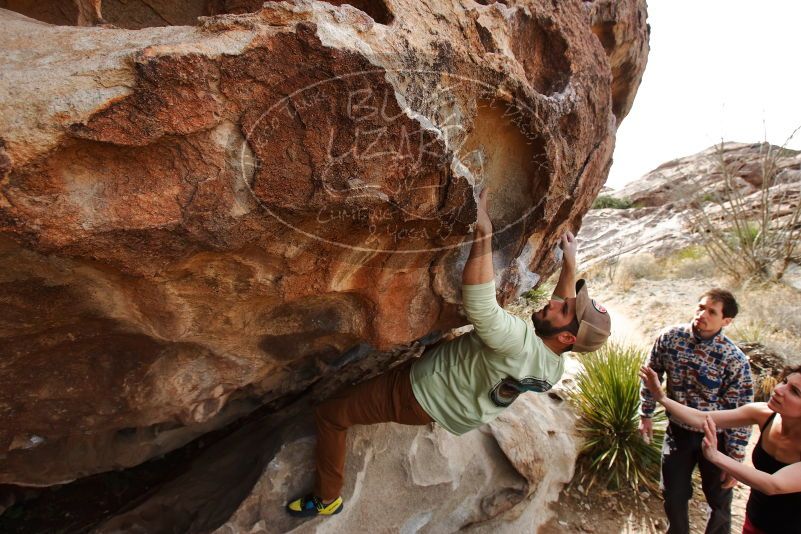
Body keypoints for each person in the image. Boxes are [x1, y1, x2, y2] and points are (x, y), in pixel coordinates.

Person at [286, 189, 612, 517]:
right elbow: (564, 307)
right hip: (454, 404)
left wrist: (483, 233)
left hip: (417, 395)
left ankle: (328, 499)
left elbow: (480, 304)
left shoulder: (518, 341)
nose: (555, 302)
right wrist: (570, 265)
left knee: (331, 415)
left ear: (568, 335)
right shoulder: (553, 364)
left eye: (564, 309)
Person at [639, 289, 754, 534]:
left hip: (715, 437)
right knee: (673, 494)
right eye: (701, 307)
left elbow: (742, 411)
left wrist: (734, 459)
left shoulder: (733, 358)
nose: (702, 314)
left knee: (719, 502)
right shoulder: (670, 338)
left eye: (711, 312)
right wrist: (645, 414)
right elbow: (651, 376)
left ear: (726, 321)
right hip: (678, 432)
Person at [640, 364, 801, 534]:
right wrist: (661, 398)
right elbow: (702, 419)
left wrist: (716, 457)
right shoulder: (764, 413)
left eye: (795, 392)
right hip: (755, 520)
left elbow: (773, 485)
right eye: (784, 381)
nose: (779, 390)